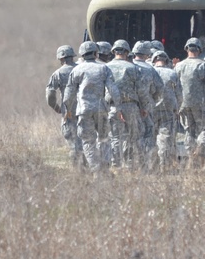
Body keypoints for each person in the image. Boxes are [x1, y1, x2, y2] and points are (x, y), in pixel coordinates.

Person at [63, 41, 120, 174]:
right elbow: (113, 90)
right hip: (101, 110)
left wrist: (67, 109)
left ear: (82, 54)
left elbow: (68, 95)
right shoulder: (104, 68)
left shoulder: (76, 70)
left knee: (88, 141)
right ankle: (105, 168)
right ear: (96, 53)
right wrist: (119, 107)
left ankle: (96, 170)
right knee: (104, 139)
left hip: (84, 111)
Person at [175, 37, 205, 167]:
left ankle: (191, 160)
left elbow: (174, 85)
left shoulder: (178, 66)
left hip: (183, 104)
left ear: (186, 49)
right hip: (201, 104)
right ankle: (198, 152)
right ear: (199, 50)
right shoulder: (202, 65)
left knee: (189, 131)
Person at [106, 39, 148, 169]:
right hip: (131, 106)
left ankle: (116, 165)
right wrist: (144, 107)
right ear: (126, 52)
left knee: (115, 137)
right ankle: (133, 164)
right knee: (134, 136)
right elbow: (141, 90)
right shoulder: (132, 68)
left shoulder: (106, 67)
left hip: (112, 107)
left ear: (114, 51)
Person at [46, 44, 82, 167]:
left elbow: (50, 95)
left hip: (69, 112)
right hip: (86, 110)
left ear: (60, 58)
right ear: (72, 56)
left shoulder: (57, 73)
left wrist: (56, 107)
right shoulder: (81, 69)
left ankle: (78, 171)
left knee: (74, 144)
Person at [132, 40, 164, 167]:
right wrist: (152, 101)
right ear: (146, 54)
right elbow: (159, 88)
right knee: (148, 134)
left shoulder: (129, 66)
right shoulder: (150, 69)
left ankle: (132, 163)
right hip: (146, 108)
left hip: (130, 106)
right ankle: (148, 164)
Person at [151, 50, 182, 169]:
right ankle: (163, 165)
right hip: (168, 109)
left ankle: (151, 165)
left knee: (150, 137)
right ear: (166, 61)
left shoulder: (149, 72)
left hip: (151, 109)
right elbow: (179, 94)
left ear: (154, 60)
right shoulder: (172, 73)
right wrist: (177, 108)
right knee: (165, 138)